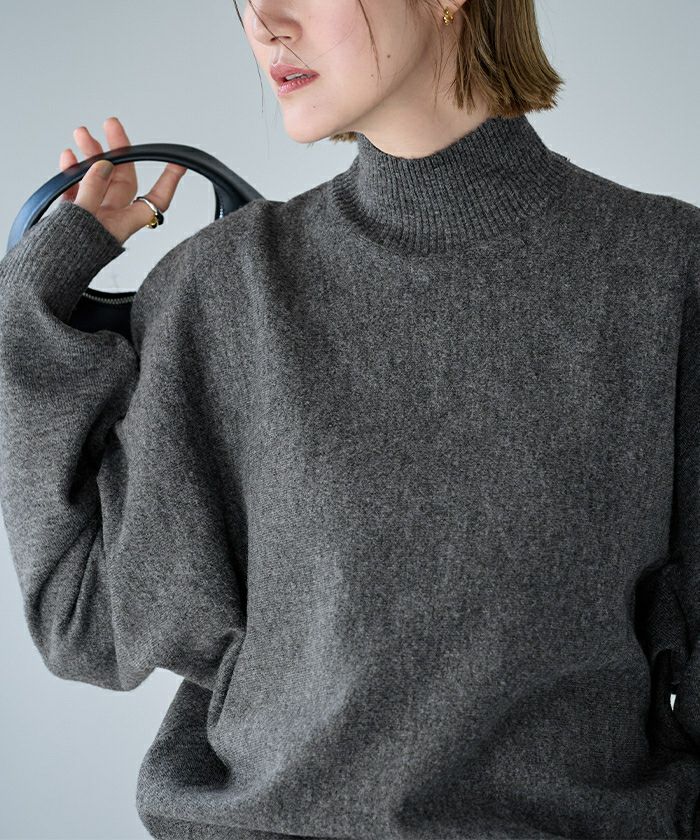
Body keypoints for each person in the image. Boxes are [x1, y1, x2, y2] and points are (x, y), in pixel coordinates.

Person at [1, 1, 699, 838]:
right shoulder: (224, 288)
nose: (265, 21)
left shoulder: (665, 270)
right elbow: (87, 623)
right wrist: (39, 301)